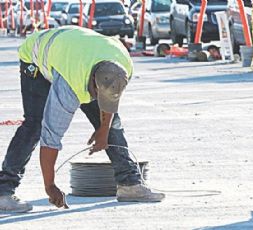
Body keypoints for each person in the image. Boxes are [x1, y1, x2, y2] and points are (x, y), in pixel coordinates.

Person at [0, 26, 164, 213]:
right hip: (38, 58)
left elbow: (111, 101)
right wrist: (50, 186)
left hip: (79, 51)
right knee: (34, 125)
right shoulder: (70, 85)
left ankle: (130, 185)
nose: (98, 99)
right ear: (93, 83)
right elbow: (51, 137)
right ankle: (3, 191)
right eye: (97, 94)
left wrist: (103, 131)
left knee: (113, 125)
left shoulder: (123, 67)